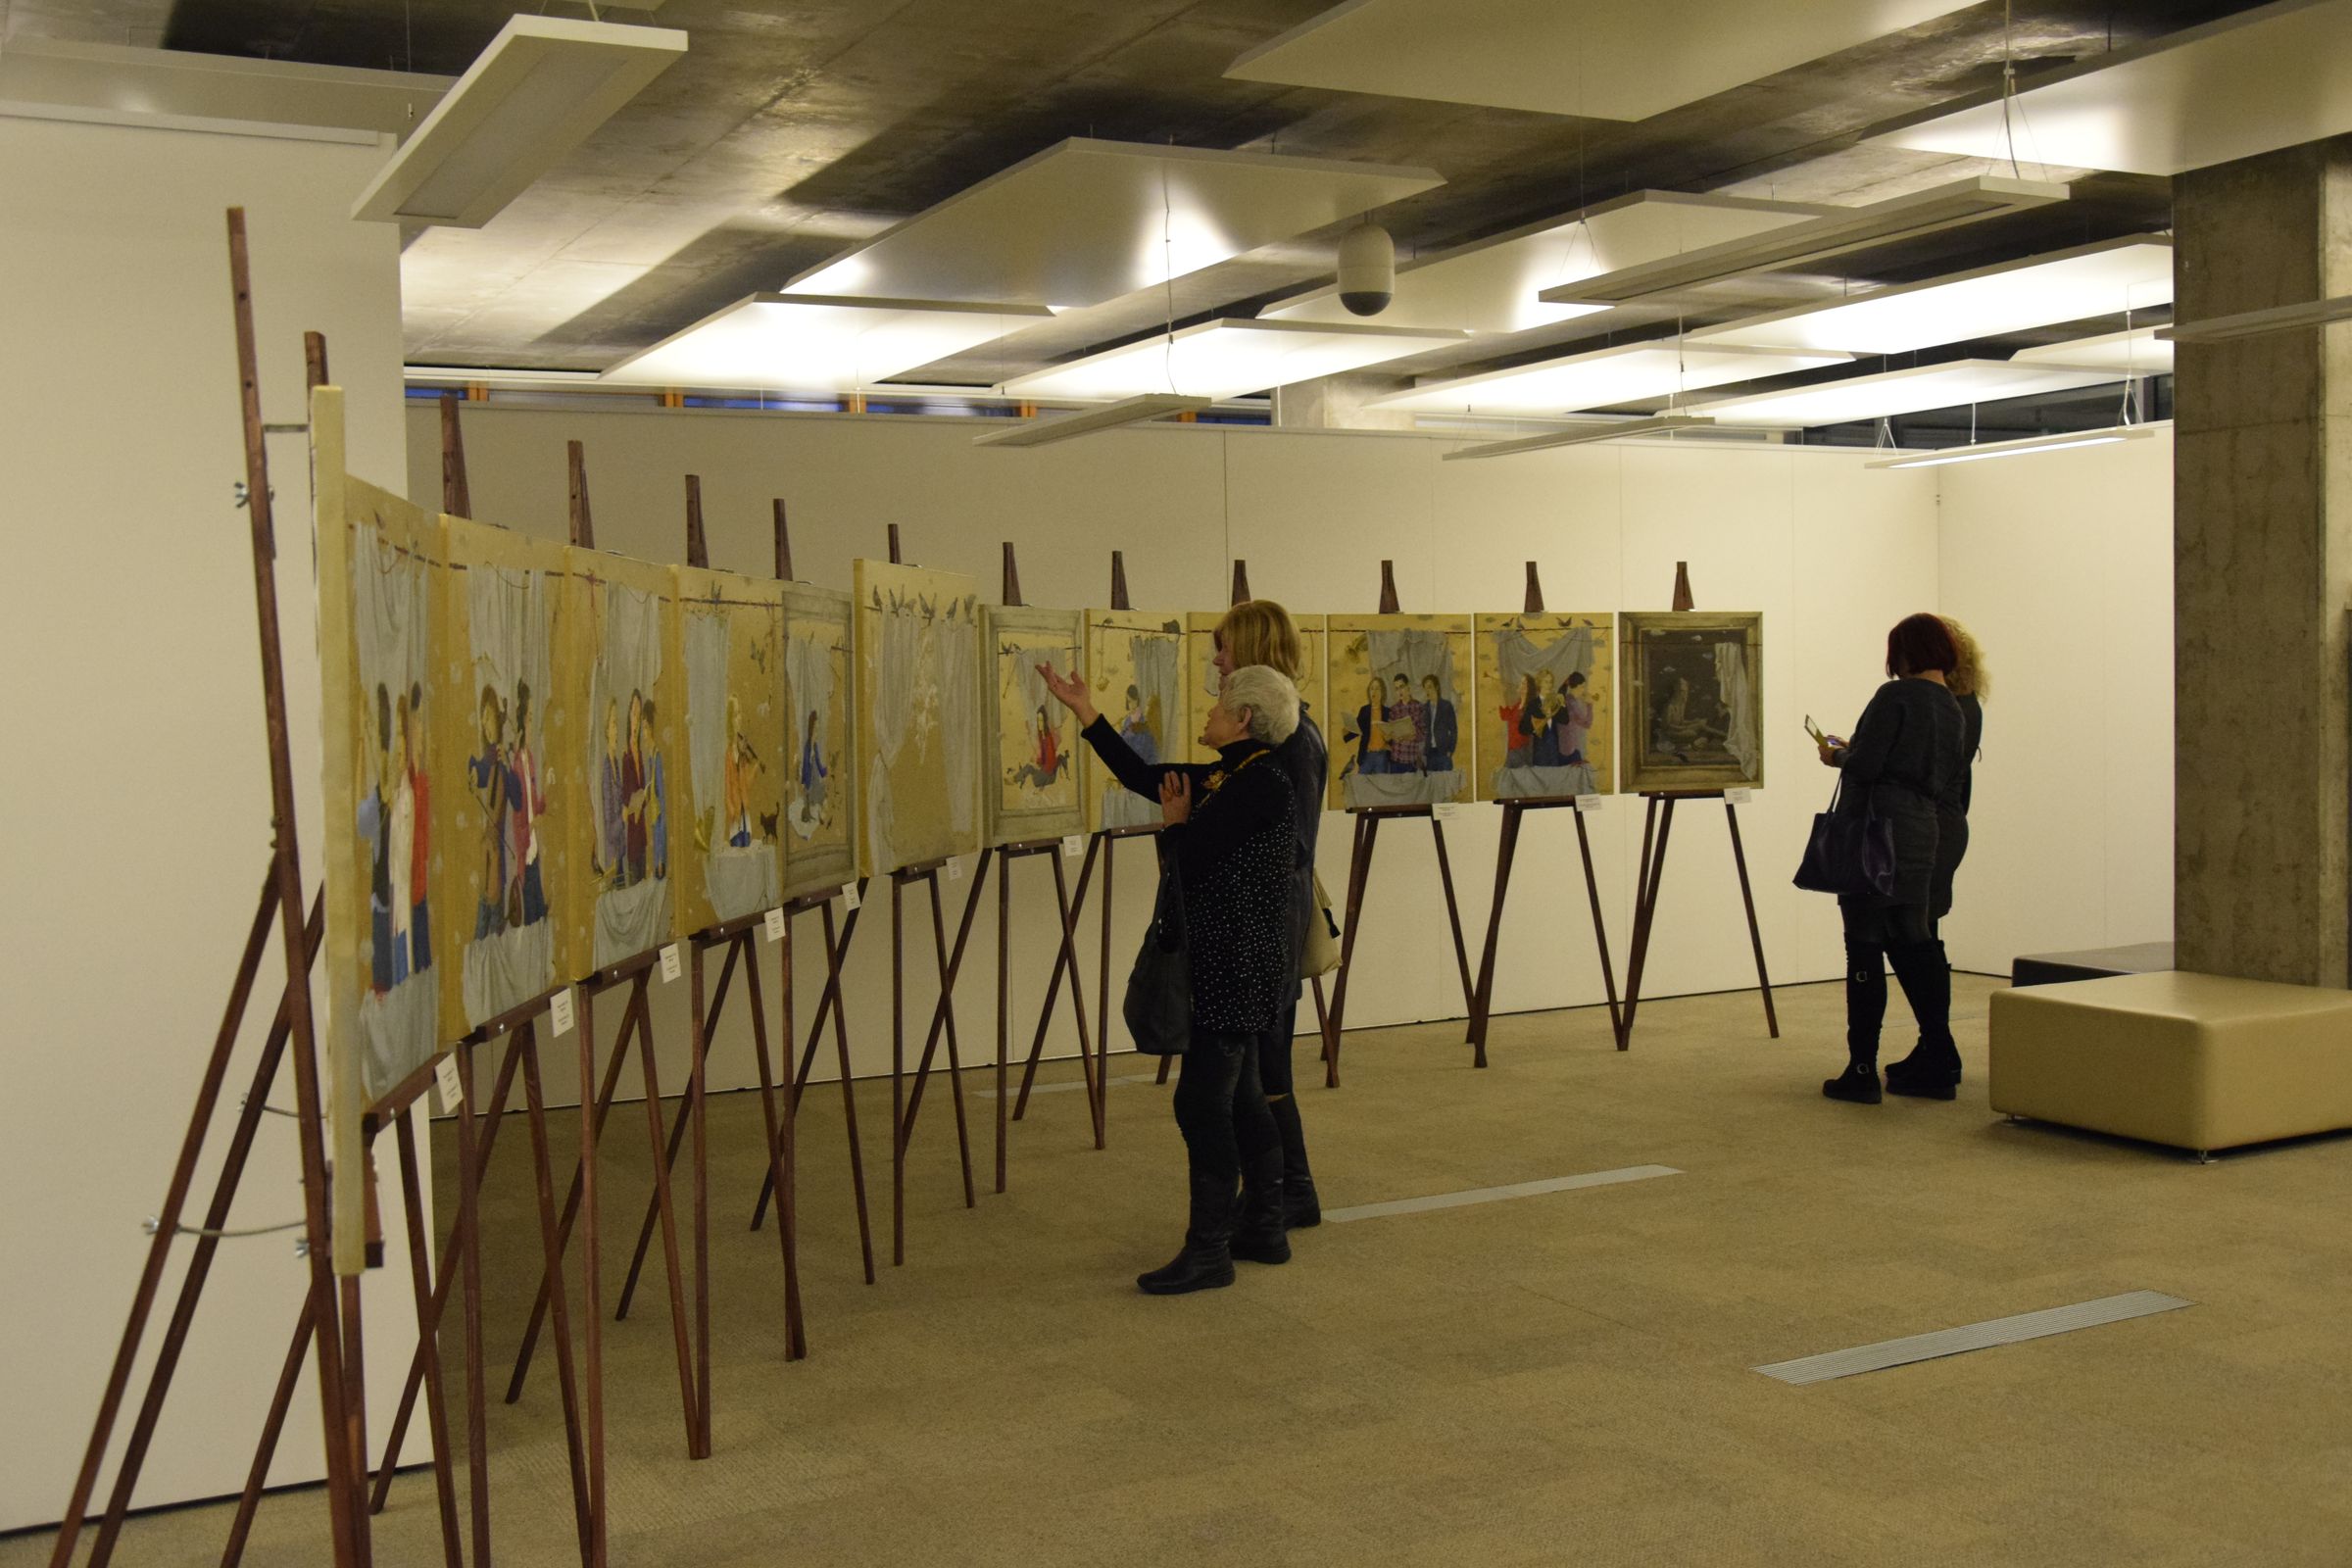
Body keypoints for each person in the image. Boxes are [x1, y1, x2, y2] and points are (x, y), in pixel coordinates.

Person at [1040, 658, 1300, 1295]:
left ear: (1243, 718)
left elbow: (1192, 863)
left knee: (1201, 1103)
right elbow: (1142, 776)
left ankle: (1210, 1251)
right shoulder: (1230, 772)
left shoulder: (1260, 783)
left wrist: (1176, 827)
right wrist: (1085, 711)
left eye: (1218, 705)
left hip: (1234, 967)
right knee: (1241, 1096)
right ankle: (1263, 1226)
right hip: (1232, 963)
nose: (1207, 712)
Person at [1208, 602, 1327, 1229]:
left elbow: (1291, 846)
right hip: (1266, 913)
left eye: (1224, 649)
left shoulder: (1293, 738)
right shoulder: (1282, 733)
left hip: (1271, 918)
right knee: (1261, 1062)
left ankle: (1283, 1193)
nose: (1217, 661)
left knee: (1265, 1062)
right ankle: (1283, 1191)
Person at [1816, 613, 1967, 1104]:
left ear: (1902, 652)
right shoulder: (1953, 706)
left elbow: (1867, 764)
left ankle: (1861, 1070)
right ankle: (1939, 1057)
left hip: (1875, 829)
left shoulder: (1895, 696)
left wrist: (1837, 755)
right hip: (1922, 831)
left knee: (1863, 943)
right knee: (1915, 939)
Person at [1888, 616, 1990, 1092]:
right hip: (1945, 825)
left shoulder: (1939, 704)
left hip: (1929, 827)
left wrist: (1853, 755)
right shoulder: (1964, 703)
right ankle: (1934, 1046)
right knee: (1921, 933)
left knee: (1911, 935)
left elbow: (1913, 769)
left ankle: (1940, 1049)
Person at [1343, 677, 1390, 776]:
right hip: (1366, 755)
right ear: (1369, 692)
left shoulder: (1387, 712)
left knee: (1380, 783)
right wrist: (1345, 732)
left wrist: (1389, 742)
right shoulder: (1364, 710)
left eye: (1377, 688)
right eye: (1372, 688)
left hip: (1382, 756)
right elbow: (1357, 730)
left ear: (1382, 692)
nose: (1374, 691)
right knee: (1362, 782)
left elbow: (1392, 735)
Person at [1385, 673, 1424, 773]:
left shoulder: (1419, 706)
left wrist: (1413, 734)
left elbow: (1423, 734)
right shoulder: (1394, 709)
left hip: (1412, 760)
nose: (1399, 691)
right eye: (1396, 689)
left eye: (1401, 687)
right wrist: (1391, 736)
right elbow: (1389, 734)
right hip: (1396, 760)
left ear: (1408, 687)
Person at [1419, 674, 1456, 774]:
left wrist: (1450, 751)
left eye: (1430, 687)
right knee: (1432, 782)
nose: (1427, 691)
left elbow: (1454, 731)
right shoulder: (1424, 708)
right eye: (1425, 688)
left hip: (1443, 753)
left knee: (1445, 782)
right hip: (1429, 754)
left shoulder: (1446, 706)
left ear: (1437, 687)